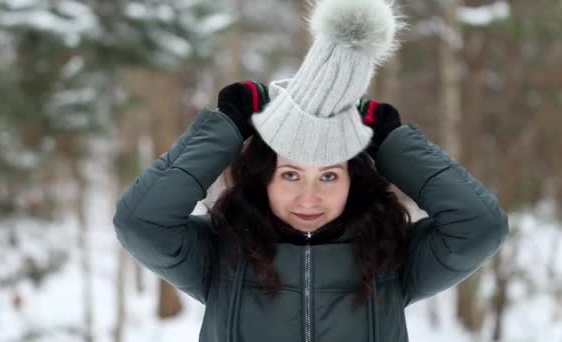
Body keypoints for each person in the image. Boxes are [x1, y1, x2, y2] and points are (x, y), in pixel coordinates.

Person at [112, 0, 509, 341]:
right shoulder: (221, 252)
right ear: (263, 176)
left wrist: (391, 139)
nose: (308, 197)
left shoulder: (391, 257)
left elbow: (480, 227)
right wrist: (229, 125)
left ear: (354, 181)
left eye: (329, 175)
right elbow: (141, 222)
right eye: (290, 174)